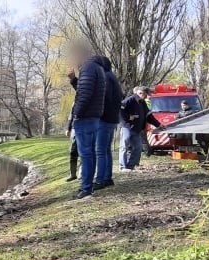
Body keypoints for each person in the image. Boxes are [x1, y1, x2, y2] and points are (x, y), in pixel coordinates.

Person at [67, 46, 106, 199]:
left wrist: (76, 115)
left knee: (86, 154)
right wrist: (73, 80)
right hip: (94, 116)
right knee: (90, 153)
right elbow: (85, 90)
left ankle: (86, 189)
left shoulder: (88, 68)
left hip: (85, 118)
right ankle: (87, 186)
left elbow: (84, 95)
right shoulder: (96, 68)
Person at [94, 56, 123, 191]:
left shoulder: (105, 78)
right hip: (112, 118)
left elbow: (103, 98)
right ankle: (107, 177)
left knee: (100, 150)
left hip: (104, 118)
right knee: (106, 150)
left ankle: (100, 180)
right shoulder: (113, 77)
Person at [119, 86, 164, 171]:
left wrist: (158, 125)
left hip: (137, 129)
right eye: (145, 95)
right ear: (140, 93)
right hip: (127, 128)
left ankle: (130, 166)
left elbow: (149, 116)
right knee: (124, 147)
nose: (146, 97)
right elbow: (120, 110)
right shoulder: (130, 100)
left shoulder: (142, 103)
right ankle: (122, 167)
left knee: (138, 148)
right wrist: (128, 117)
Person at [65, 114, 79, 182]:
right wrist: (68, 128)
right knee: (73, 152)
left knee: (84, 152)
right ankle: (73, 174)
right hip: (75, 127)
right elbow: (71, 115)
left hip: (83, 126)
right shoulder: (75, 103)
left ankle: (82, 174)